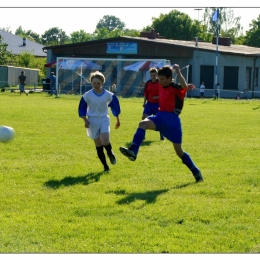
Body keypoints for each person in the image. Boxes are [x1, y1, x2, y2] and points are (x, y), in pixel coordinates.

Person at [119, 65, 203, 183]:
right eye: (160, 79)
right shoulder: (160, 85)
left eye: (163, 79)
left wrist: (178, 72)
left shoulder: (175, 88)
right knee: (142, 124)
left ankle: (195, 171)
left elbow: (183, 87)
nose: (160, 81)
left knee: (179, 152)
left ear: (169, 78)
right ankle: (133, 151)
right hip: (160, 116)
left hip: (172, 121)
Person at [78, 71, 121, 172]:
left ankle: (110, 153)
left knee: (105, 141)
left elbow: (115, 106)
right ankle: (105, 166)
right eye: (94, 83)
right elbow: (82, 108)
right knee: (98, 145)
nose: (96, 85)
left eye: (98, 83)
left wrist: (117, 119)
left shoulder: (108, 95)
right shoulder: (87, 95)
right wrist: (85, 120)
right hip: (92, 121)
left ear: (102, 83)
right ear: (91, 83)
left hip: (104, 119)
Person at [142, 68, 164, 140]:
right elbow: (146, 93)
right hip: (149, 104)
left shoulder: (160, 83)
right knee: (144, 118)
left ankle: (162, 134)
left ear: (157, 75)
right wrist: (144, 102)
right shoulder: (148, 83)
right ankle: (143, 134)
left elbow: (164, 94)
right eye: (151, 75)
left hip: (158, 104)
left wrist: (157, 97)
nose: (153, 77)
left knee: (160, 119)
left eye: (154, 75)